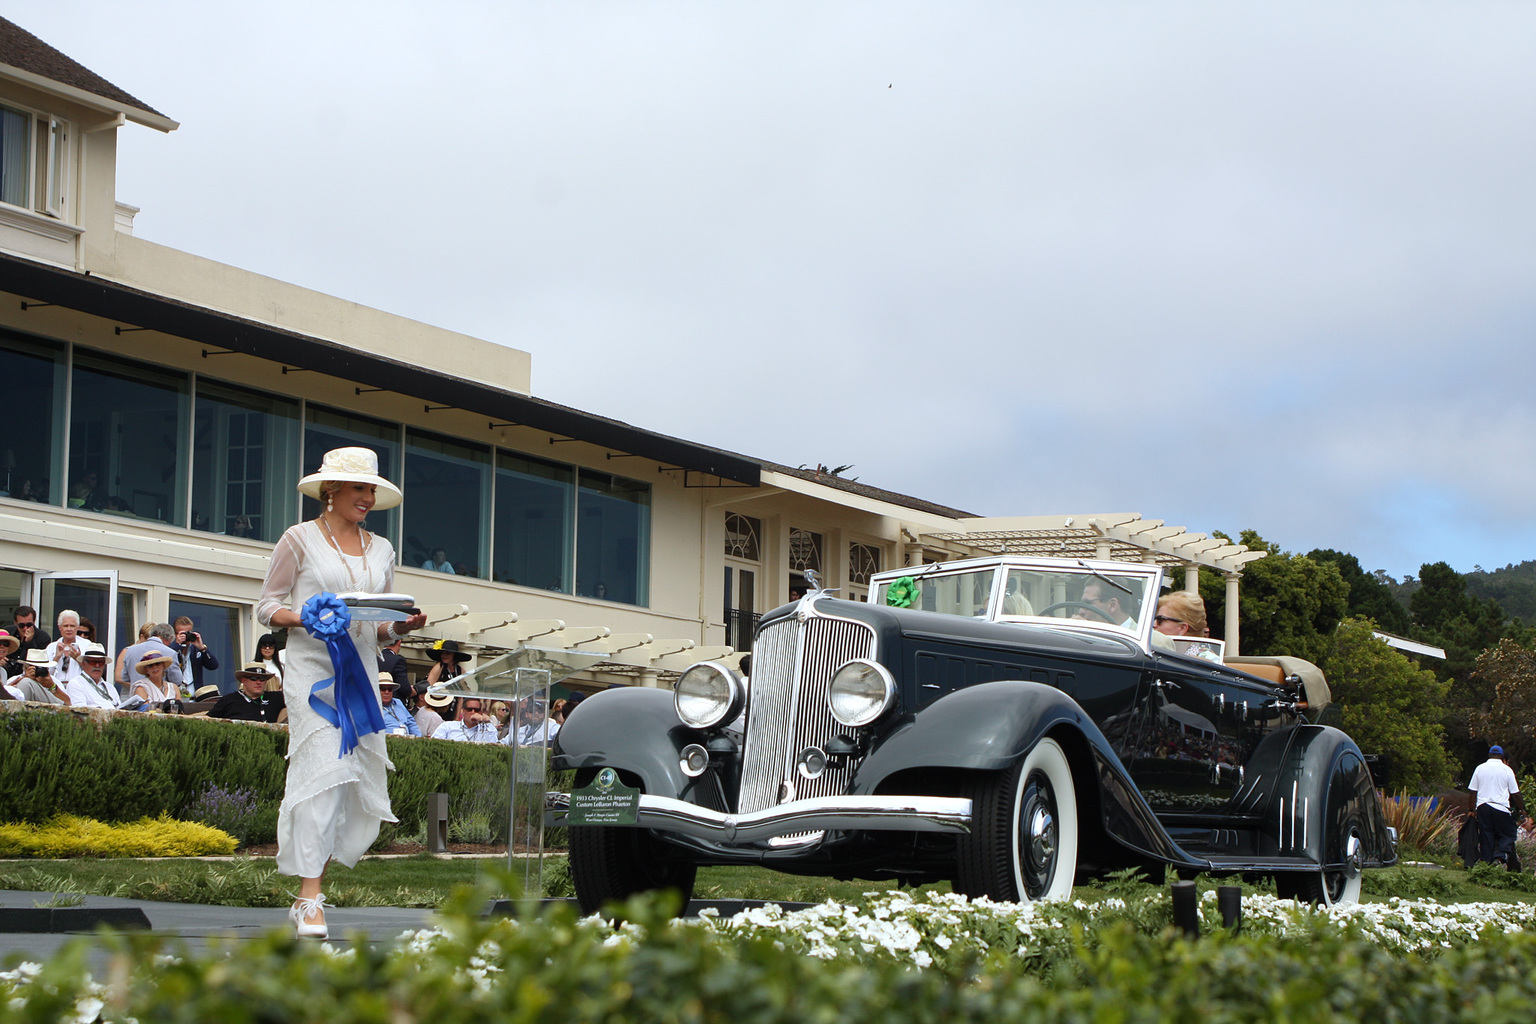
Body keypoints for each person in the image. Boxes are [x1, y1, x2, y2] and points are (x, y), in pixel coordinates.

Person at [256, 447, 427, 939]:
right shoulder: (299, 539)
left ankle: (313, 891)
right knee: (323, 774)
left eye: (372, 489)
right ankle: (309, 898)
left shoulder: (383, 550)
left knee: (344, 782)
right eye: (360, 489)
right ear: (331, 490)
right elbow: (266, 607)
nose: (368, 498)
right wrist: (303, 615)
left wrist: (401, 629)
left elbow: (377, 630)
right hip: (312, 674)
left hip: (360, 677)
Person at [1468, 745, 1528, 866]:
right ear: (1502, 757)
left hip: (1483, 807)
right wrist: (1522, 809)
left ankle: (1486, 864)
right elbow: (1515, 793)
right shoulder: (1507, 770)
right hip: (1501, 808)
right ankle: (1499, 857)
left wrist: (1471, 809)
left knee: (1486, 836)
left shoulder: (1480, 768)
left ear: (1489, 755)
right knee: (1508, 834)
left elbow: (1473, 792)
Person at [1154, 592, 1221, 662]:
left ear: (1182, 628)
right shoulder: (1153, 653)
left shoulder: (1211, 661)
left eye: (1160, 620)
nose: (1154, 624)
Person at [208, 663, 286, 723]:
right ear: (244, 681)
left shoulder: (276, 698)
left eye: (262, 679)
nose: (258, 682)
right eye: (254, 679)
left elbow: (296, 699)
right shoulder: (229, 700)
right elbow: (209, 718)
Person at [122, 624, 185, 694]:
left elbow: (125, 677)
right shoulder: (170, 653)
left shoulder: (130, 650)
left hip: (136, 698)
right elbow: (177, 680)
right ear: (168, 639)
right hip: (160, 699)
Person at [173, 617, 221, 695]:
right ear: (175, 634)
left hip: (195, 696)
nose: (186, 637)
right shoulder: (172, 649)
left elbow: (213, 666)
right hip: (176, 695)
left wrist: (202, 649)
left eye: (188, 633)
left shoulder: (196, 650)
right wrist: (177, 645)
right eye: (182, 634)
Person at [65, 642, 121, 710]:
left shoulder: (110, 687)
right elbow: (80, 712)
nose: (97, 665)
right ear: (83, 663)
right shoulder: (76, 684)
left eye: (101, 662)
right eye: (93, 662)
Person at [43, 610, 86, 690]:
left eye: (72, 626)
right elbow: (45, 675)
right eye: (65, 626)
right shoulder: (51, 647)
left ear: (77, 627)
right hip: (55, 689)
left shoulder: (86, 645)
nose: (69, 629)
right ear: (60, 628)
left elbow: (93, 672)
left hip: (79, 689)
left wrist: (79, 660)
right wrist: (56, 658)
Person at [115, 623, 155, 689]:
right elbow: (118, 677)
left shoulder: (154, 653)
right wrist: (139, 686)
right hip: (129, 693)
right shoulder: (127, 651)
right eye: (148, 641)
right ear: (142, 637)